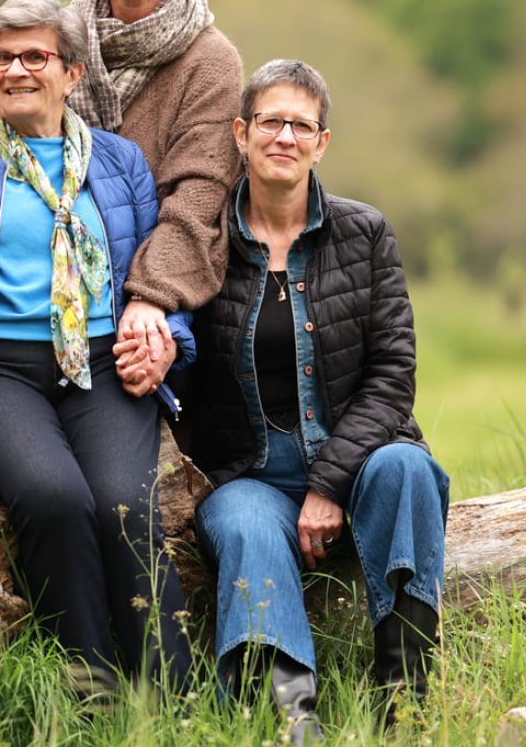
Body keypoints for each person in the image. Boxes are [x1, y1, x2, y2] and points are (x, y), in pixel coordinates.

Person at [0, 0, 193, 693]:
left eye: (35, 56)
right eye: (3, 57)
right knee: (53, 496)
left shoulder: (120, 164)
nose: (17, 70)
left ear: (73, 74)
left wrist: (168, 337)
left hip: (105, 365)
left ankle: (173, 696)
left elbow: (157, 275)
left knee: (121, 502)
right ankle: (91, 684)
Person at [188, 60, 449, 742]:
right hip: (247, 475)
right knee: (244, 522)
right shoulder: (203, 239)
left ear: (322, 142)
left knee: (408, 469)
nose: (285, 136)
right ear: (241, 134)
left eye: (301, 125)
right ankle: (291, 723)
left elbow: (393, 373)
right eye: (270, 121)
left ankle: (407, 708)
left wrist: (330, 482)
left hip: (357, 464)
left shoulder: (364, 235)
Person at [68, 0, 243, 404]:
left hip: (163, 271)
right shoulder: (57, 40)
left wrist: (151, 299)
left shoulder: (212, 61)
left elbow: (198, 197)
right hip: (60, 263)